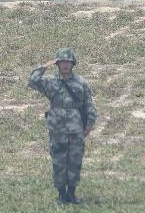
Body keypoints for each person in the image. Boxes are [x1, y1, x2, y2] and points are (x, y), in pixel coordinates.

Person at [28, 48, 97, 205]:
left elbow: (89, 105)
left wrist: (90, 124)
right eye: (61, 62)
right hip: (57, 129)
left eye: (67, 62)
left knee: (75, 161)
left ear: (72, 64)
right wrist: (45, 66)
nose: (65, 65)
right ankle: (61, 195)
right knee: (58, 161)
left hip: (76, 129)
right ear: (57, 64)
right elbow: (32, 80)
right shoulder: (51, 82)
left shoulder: (81, 82)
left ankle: (72, 193)